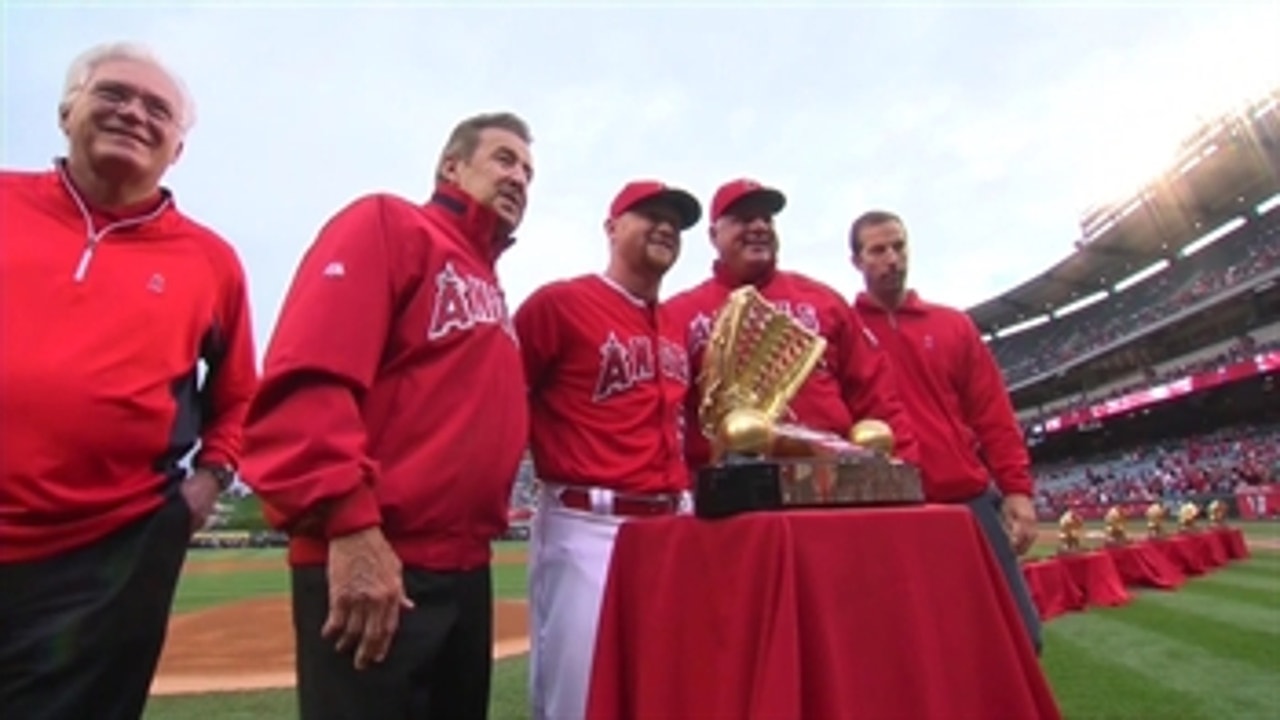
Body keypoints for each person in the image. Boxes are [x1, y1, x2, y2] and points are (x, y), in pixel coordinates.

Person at [240, 112, 534, 720]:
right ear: (451, 167)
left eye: (529, 171)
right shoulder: (389, 223)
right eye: (504, 159)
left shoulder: (490, 283)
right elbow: (309, 377)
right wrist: (349, 526)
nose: (520, 179)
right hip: (378, 558)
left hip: (465, 566)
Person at [0, 41, 258, 719]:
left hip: (111, 556)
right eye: (113, 94)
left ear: (177, 148)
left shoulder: (211, 262)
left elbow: (239, 394)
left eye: (158, 109)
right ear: (65, 111)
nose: (134, 114)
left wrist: (212, 479)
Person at [514, 180, 701, 720]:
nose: (666, 226)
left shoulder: (676, 326)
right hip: (587, 525)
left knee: (665, 691)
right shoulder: (560, 304)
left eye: (675, 220)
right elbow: (504, 397)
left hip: (671, 523)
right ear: (612, 226)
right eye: (649, 214)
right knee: (582, 698)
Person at [848, 209, 1043, 654]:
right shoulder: (844, 331)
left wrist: (1017, 490)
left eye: (899, 246)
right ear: (856, 261)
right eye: (878, 250)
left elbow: (992, 414)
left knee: (1019, 638)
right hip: (890, 508)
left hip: (967, 501)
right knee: (917, 646)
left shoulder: (953, 325)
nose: (892, 258)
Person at [664, 178, 920, 471]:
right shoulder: (679, 314)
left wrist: (908, 471)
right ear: (713, 235)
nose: (759, 227)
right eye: (744, 219)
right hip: (731, 493)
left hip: (831, 482)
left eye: (767, 219)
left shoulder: (823, 300)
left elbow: (876, 394)